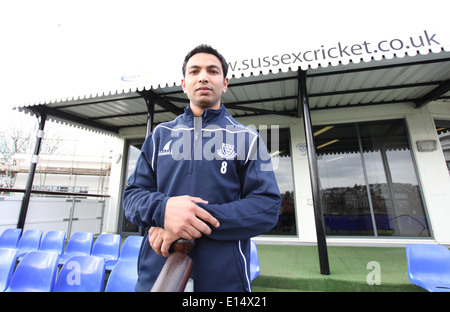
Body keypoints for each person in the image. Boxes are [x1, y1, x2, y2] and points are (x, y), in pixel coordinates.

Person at [123, 44, 281, 292]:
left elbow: (267, 207)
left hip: (224, 280)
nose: (203, 77)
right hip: (158, 275)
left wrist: (188, 221)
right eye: (194, 71)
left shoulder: (247, 138)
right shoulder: (158, 137)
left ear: (225, 83)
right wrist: (164, 211)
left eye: (212, 71)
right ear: (184, 84)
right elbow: (132, 197)